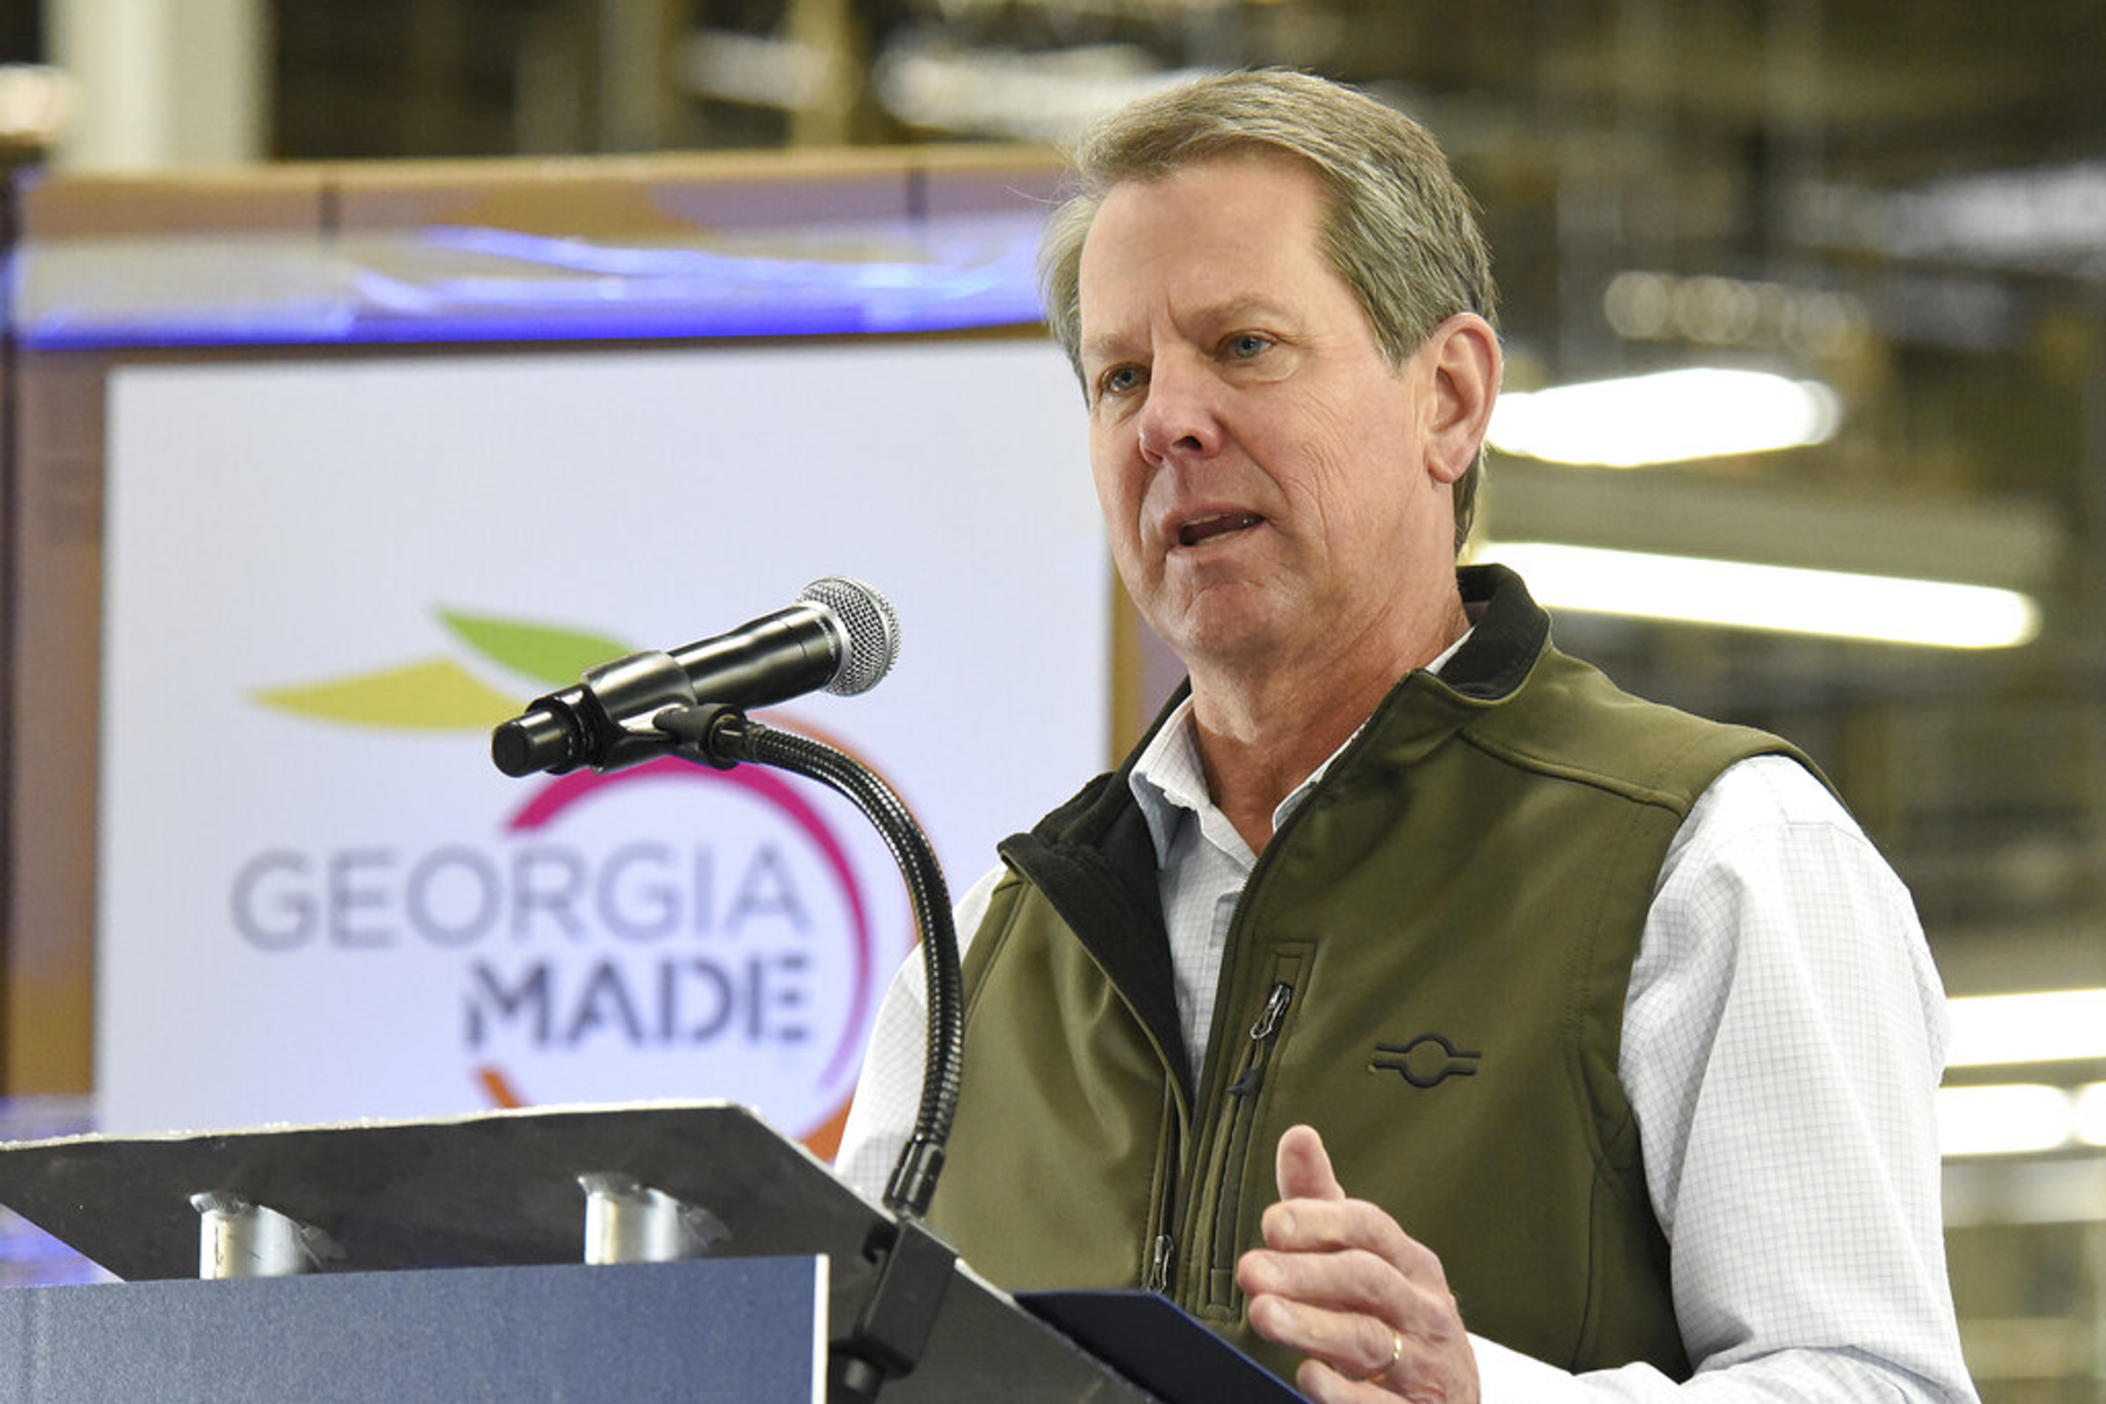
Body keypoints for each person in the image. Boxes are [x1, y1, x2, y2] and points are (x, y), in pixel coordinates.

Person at [837, 69, 1978, 1403]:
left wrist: (1481, 1397)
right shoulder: (980, 963)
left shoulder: (1710, 860)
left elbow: (1873, 1387)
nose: (1168, 423)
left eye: (1243, 347)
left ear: (1445, 397)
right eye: (1120, 376)